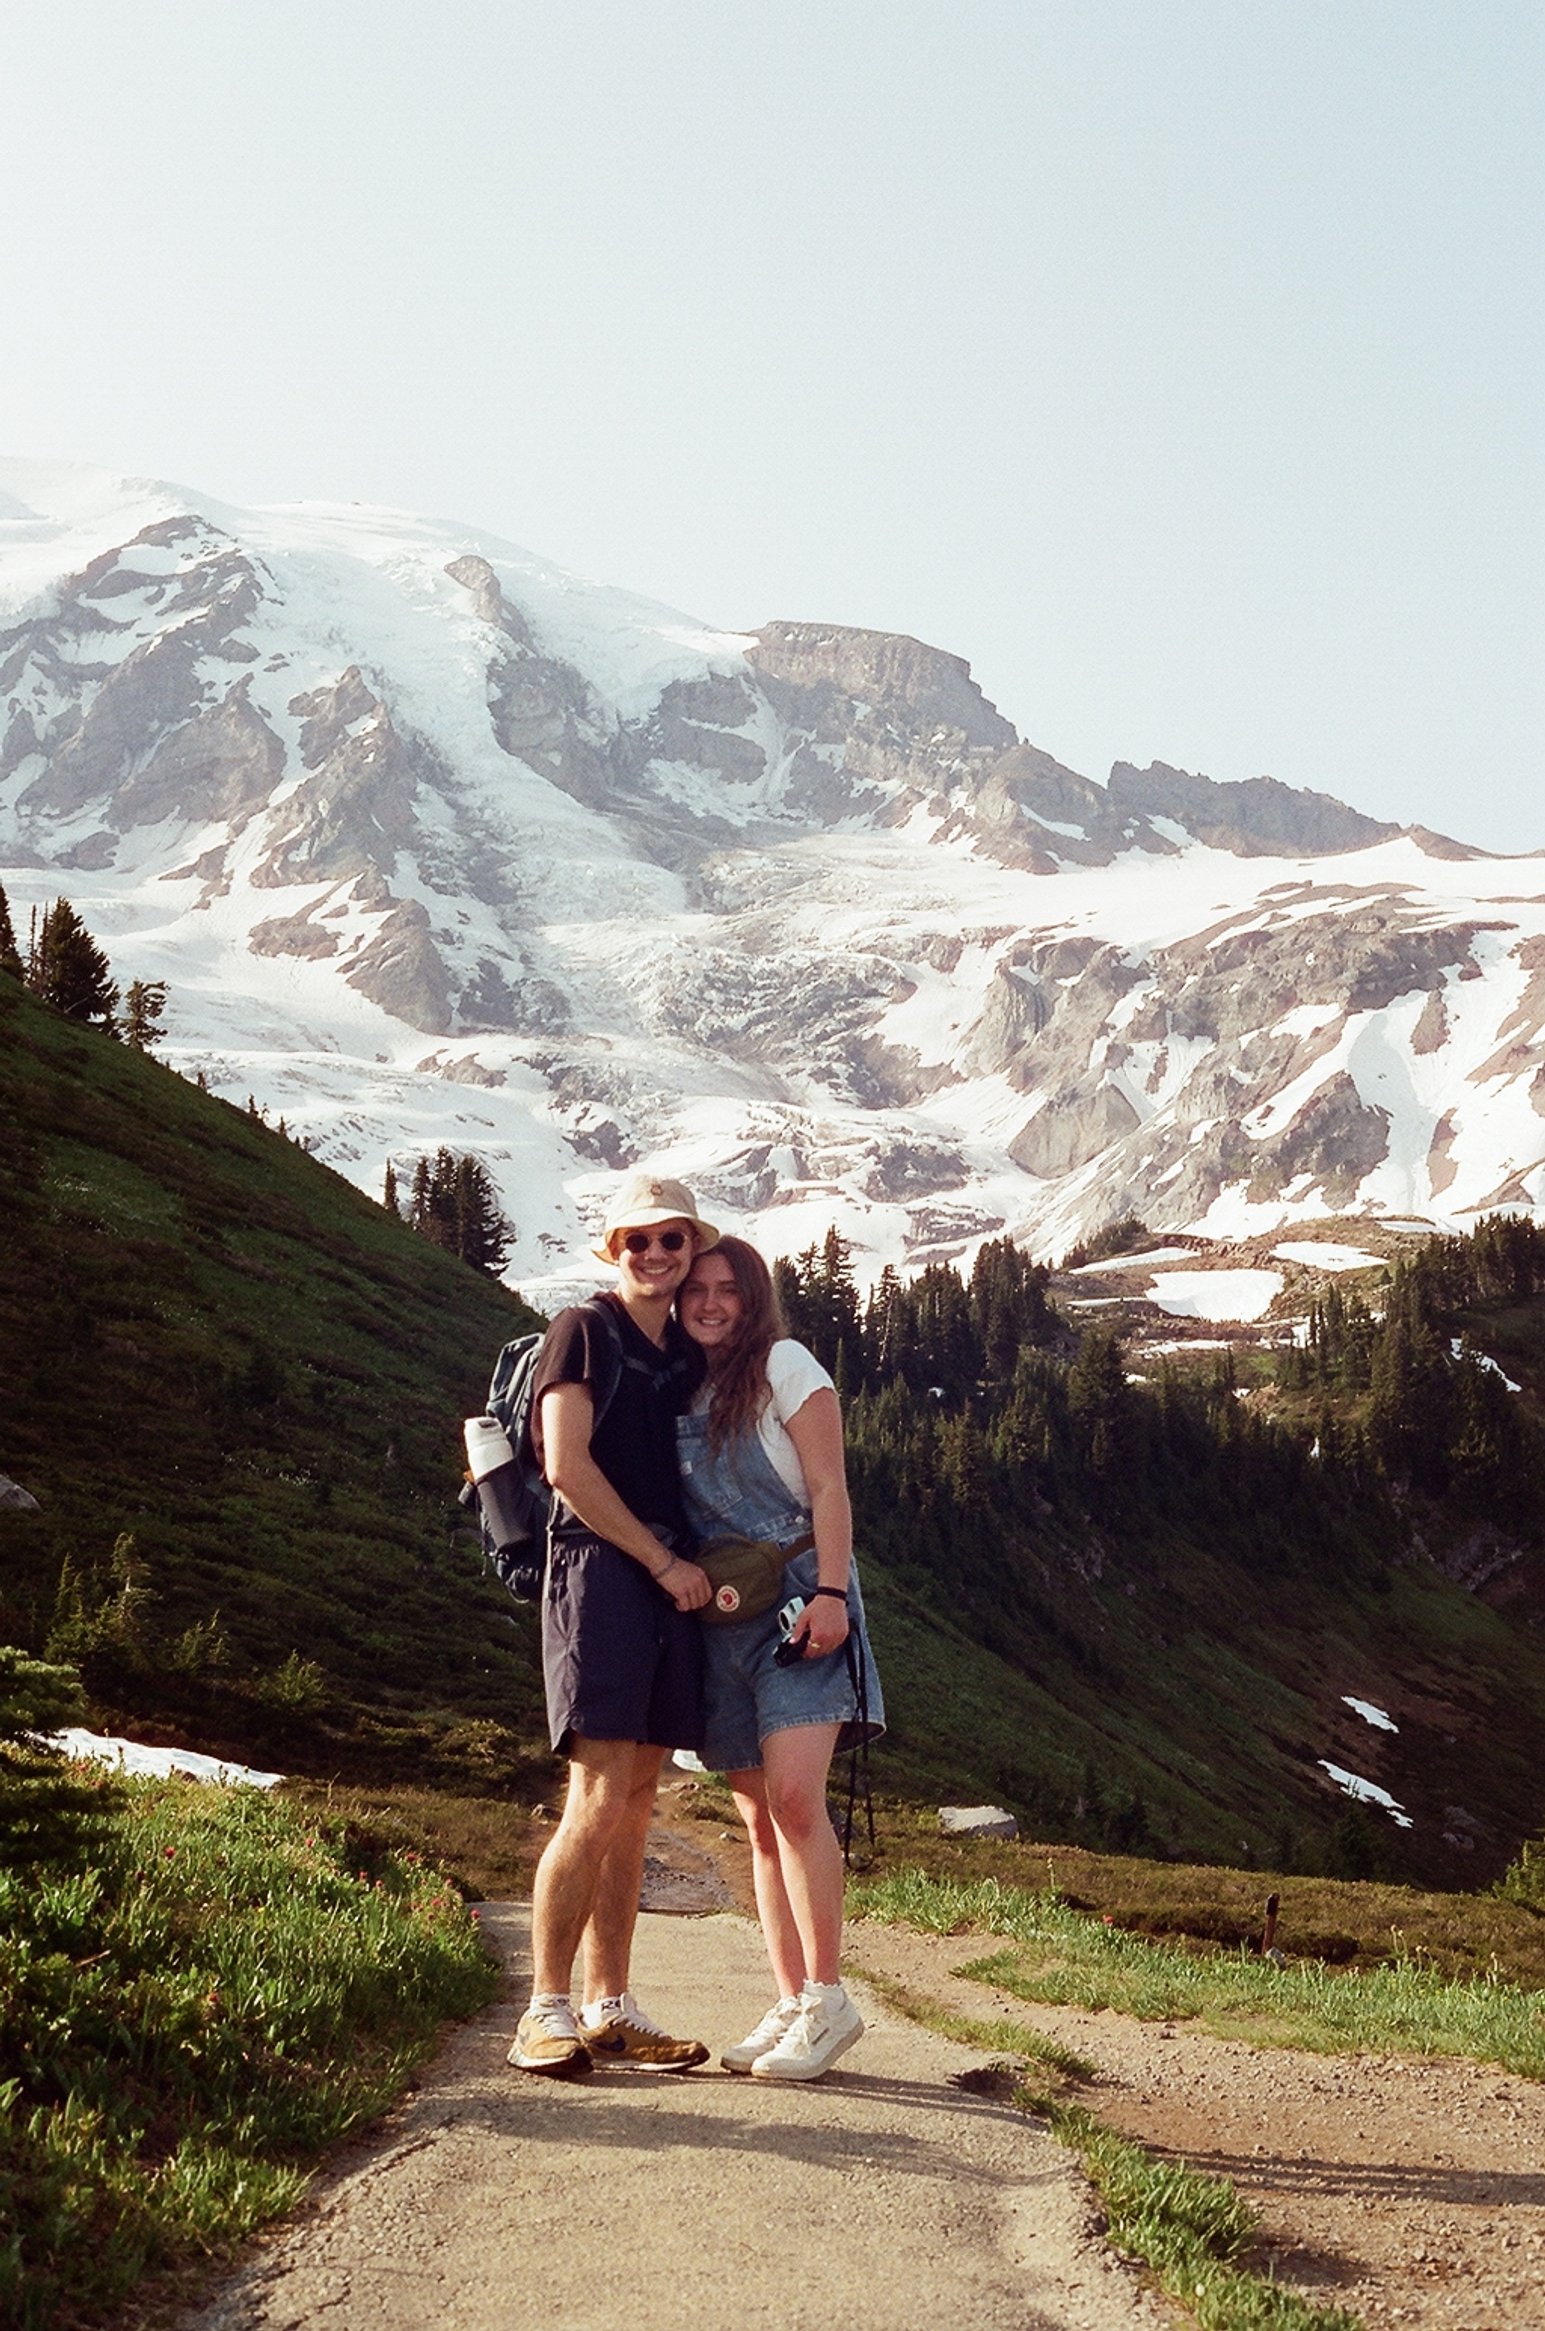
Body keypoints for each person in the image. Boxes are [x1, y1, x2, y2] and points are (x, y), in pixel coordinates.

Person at [509, 1172, 719, 2079]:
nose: (655, 1255)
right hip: (601, 1571)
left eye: (671, 1240)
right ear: (612, 1250)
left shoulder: (679, 1349)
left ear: (690, 1247)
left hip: (662, 1586)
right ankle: (541, 2011)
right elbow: (566, 1465)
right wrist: (662, 1561)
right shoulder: (583, 1330)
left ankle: (610, 2008)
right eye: (637, 1240)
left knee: (637, 1801)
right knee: (595, 1798)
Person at [675, 1235, 885, 2082]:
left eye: (728, 1289)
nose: (711, 1303)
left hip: (801, 1601)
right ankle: (792, 1993)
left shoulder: (787, 1365)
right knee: (759, 1821)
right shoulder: (678, 1385)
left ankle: (830, 1997)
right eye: (696, 1290)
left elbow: (829, 1486)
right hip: (720, 1619)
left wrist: (832, 1595)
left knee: (797, 1801)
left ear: (754, 1298)